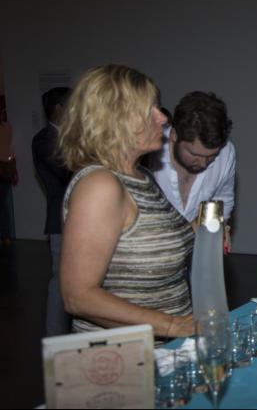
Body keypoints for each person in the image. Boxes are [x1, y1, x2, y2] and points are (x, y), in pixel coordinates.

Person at [58, 64, 195, 340]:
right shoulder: (100, 186)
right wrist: (171, 326)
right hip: (124, 364)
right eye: (150, 109)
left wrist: (202, 228)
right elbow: (78, 296)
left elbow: (146, 241)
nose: (163, 118)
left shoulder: (140, 176)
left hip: (163, 357)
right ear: (115, 117)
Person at [151, 91, 235, 250]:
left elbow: (222, 198)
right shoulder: (149, 152)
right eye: (194, 154)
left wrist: (220, 227)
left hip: (193, 256)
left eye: (212, 156)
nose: (203, 163)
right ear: (174, 135)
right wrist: (189, 231)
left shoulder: (226, 153)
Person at [32, 86, 73, 336]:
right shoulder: (44, 139)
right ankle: (55, 339)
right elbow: (67, 172)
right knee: (60, 283)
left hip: (76, 219)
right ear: (59, 109)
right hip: (61, 220)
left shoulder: (67, 137)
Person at [0, 99, 16, 246]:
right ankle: (6, 237)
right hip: (7, 166)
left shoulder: (5, 128)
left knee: (3, 206)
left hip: (3, 167)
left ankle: (4, 235)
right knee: (3, 205)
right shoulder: (7, 127)